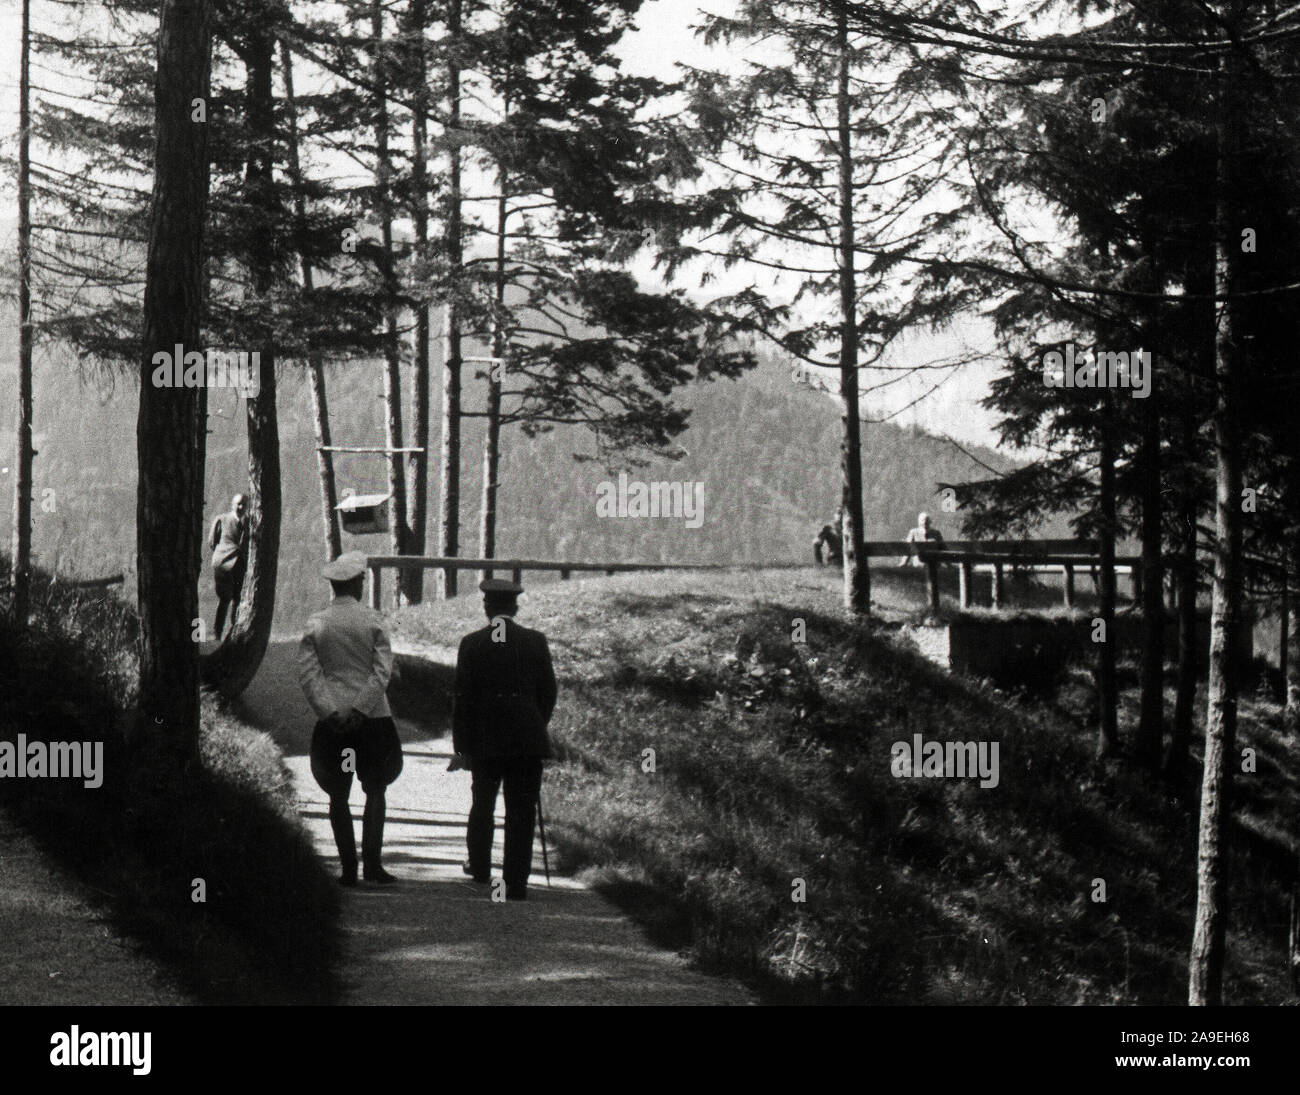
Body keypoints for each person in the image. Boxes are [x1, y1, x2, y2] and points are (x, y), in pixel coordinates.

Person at [296, 551, 403, 887]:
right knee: (375, 788)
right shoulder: (374, 621)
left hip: (335, 725)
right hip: (372, 722)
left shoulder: (317, 623)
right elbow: (381, 672)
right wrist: (362, 708)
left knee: (338, 794)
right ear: (359, 582)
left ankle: (348, 869)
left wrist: (330, 712)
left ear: (334, 585)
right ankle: (373, 864)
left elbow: (309, 674)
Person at [449, 579, 557, 901]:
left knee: (483, 803)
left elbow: (462, 700)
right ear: (514, 608)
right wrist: (534, 722)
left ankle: (481, 868)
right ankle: (516, 883)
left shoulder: (472, 643)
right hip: (526, 738)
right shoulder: (535, 641)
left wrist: (461, 746)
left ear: (487, 608)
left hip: (485, 738)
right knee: (521, 809)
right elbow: (548, 692)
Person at [209, 493, 249, 640]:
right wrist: (223, 554)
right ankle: (217, 633)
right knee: (224, 598)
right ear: (232, 504)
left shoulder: (249, 523)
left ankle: (234, 632)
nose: (241, 507)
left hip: (240, 564)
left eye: (244, 504)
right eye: (238, 504)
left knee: (238, 599)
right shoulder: (221, 520)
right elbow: (212, 542)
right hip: (223, 564)